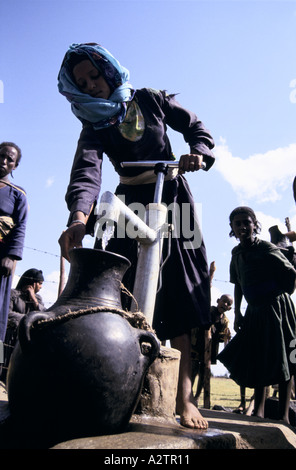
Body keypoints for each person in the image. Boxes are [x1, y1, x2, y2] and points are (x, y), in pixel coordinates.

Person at [57, 43, 215, 429]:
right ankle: (122, 385)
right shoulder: (93, 124)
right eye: (82, 82)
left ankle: (185, 399)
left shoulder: (150, 99)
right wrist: (79, 217)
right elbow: (87, 172)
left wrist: (196, 152)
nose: (91, 85)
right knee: (123, 288)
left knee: (182, 292)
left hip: (173, 195)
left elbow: (196, 127)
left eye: (94, 75)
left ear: (108, 71)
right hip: (129, 201)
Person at [218, 206, 296, 423]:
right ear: (232, 228)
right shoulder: (236, 254)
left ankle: (284, 416)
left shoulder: (266, 248)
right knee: (259, 357)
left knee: (284, 358)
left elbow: (290, 272)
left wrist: (281, 293)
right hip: (254, 311)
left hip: (276, 308)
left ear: (255, 225)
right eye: (238, 223)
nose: (243, 226)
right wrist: (238, 313)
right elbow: (237, 284)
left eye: (247, 222)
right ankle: (258, 412)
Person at [0, 142, 28, 346]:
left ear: (15, 166)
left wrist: (11, 256)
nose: (4, 161)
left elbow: (20, 226)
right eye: (1, 156)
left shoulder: (17, 194)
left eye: (10, 159)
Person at [1, 268, 45, 383]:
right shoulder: (13, 295)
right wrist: (27, 319)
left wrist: (33, 299)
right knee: (3, 363)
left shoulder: (38, 299)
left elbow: (43, 315)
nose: (41, 287)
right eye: (40, 284)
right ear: (32, 283)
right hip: (9, 336)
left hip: (26, 339)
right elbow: (7, 314)